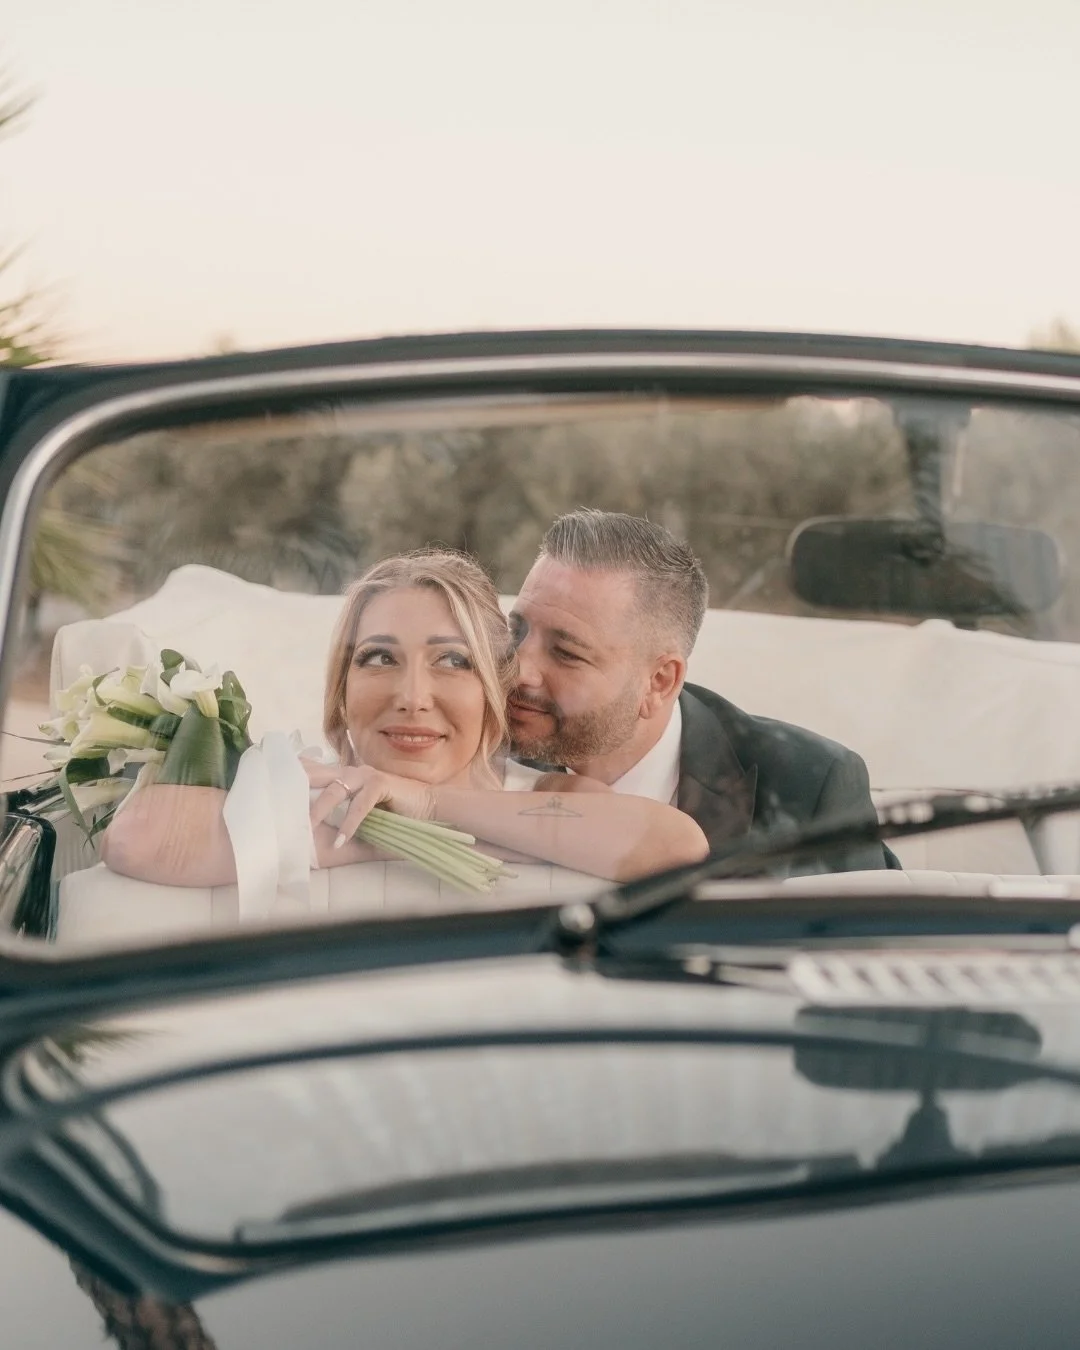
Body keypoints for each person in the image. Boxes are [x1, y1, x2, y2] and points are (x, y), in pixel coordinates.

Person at [101, 550, 709, 893]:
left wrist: (429, 805)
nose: (413, 697)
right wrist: (374, 829)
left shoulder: (551, 793)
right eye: (379, 658)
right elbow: (137, 838)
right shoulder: (303, 788)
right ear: (342, 688)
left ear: (492, 690)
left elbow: (676, 848)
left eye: (453, 661)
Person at [507, 509, 900, 874]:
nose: (519, 668)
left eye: (566, 653)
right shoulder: (484, 746)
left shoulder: (807, 789)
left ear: (659, 682)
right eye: (516, 630)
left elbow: (874, 926)